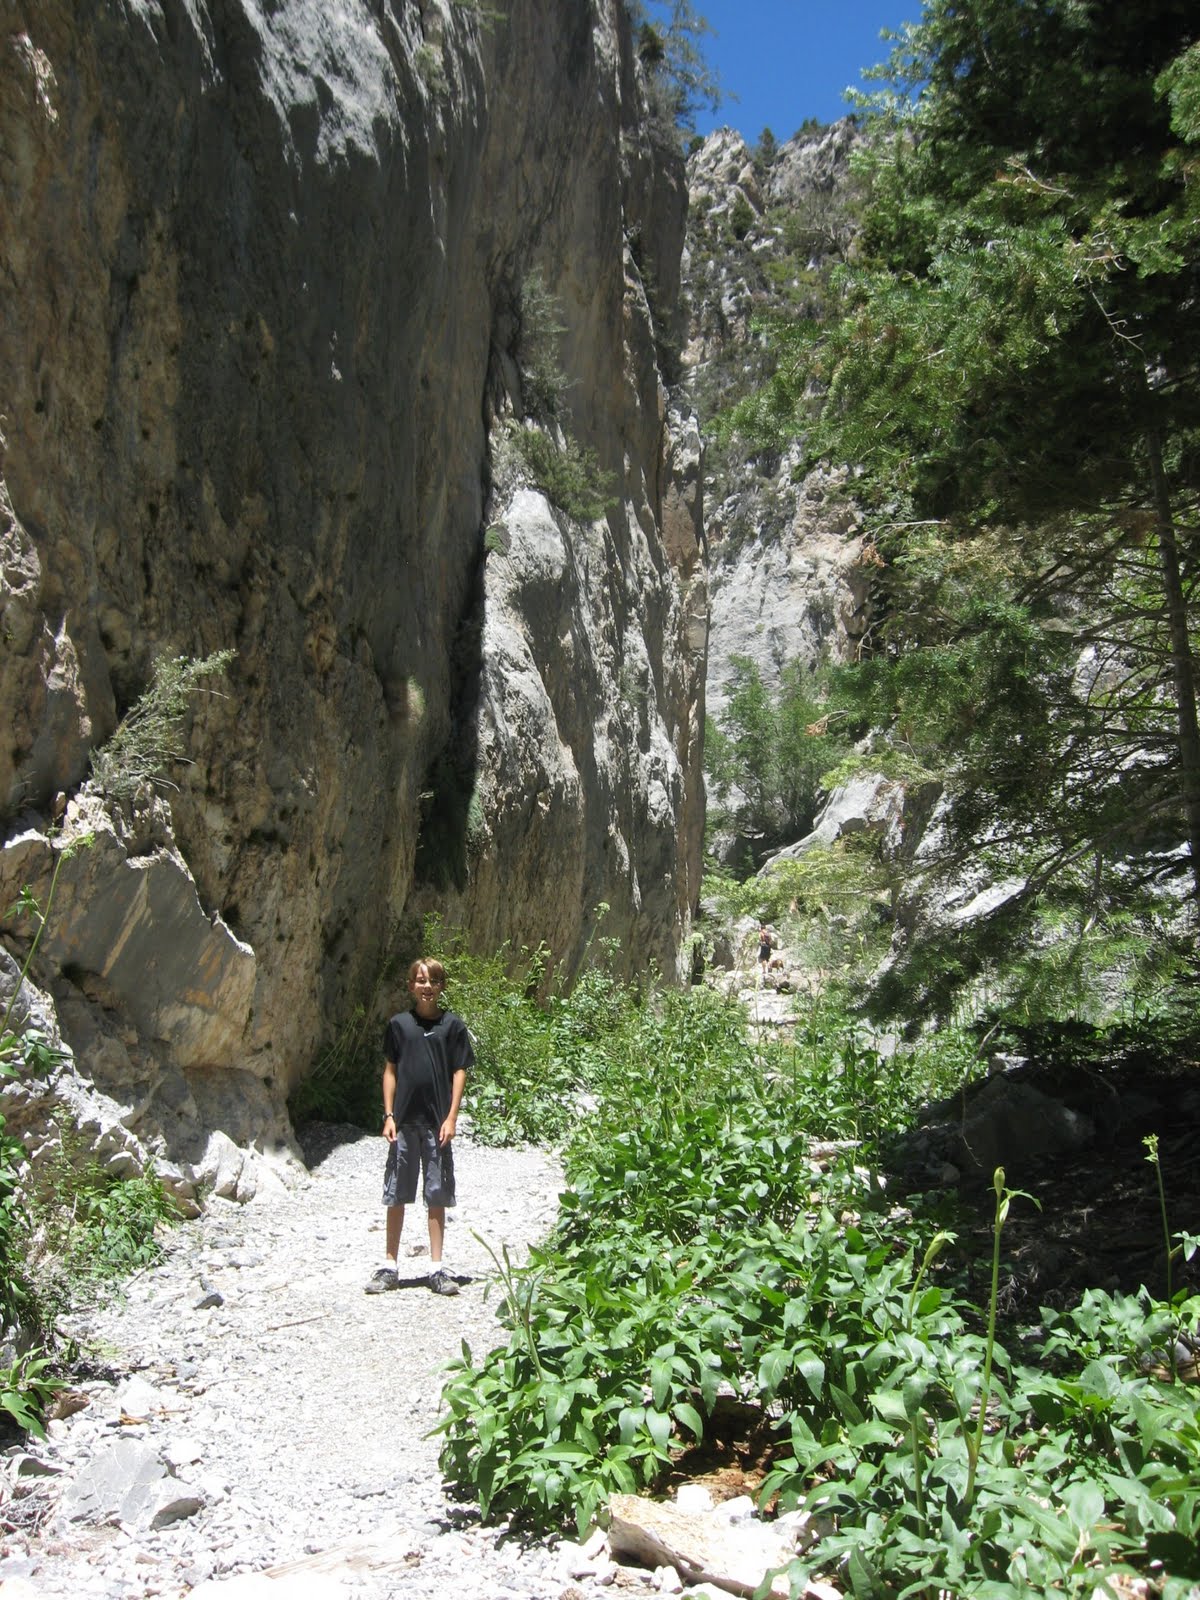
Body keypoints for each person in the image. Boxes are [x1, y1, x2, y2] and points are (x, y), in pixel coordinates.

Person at [364, 957, 472, 1297]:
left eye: (434, 981)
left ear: (442, 986)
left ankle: (436, 1268)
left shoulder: (453, 1026)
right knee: (396, 1192)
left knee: (436, 1193)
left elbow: (459, 1071)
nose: (427, 987)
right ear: (411, 985)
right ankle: (390, 1266)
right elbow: (390, 1071)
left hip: (437, 1123)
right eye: (421, 980)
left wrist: (452, 1117)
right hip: (404, 1121)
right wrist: (388, 1115)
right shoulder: (399, 1025)